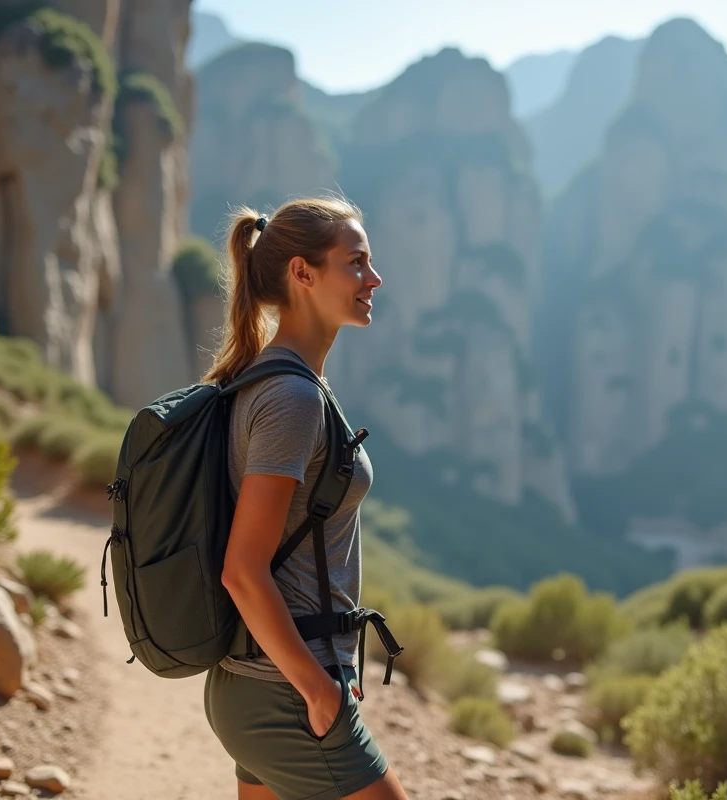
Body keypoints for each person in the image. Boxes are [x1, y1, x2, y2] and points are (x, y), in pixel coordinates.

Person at [200, 196, 408, 800]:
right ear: (302, 272)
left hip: (256, 684)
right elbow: (242, 569)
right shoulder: (291, 398)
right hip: (284, 690)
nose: (374, 278)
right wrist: (317, 687)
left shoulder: (279, 381)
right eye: (357, 263)